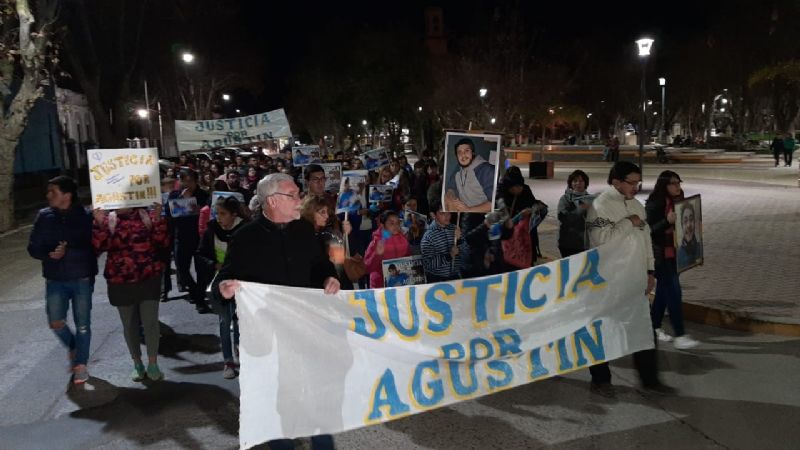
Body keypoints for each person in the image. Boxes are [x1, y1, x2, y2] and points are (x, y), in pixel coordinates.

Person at [214, 173, 340, 450]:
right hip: (269, 342)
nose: (300, 200)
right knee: (278, 409)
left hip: (307, 334)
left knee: (320, 403)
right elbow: (223, 281)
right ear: (272, 201)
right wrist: (225, 290)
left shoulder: (304, 231)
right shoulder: (245, 239)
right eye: (294, 195)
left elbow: (320, 264)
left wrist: (329, 277)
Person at [585, 161, 674, 397]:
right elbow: (602, 239)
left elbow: (645, 239)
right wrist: (628, 222)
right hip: (607, 280)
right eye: (631, 182)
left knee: (644, 329)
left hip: (634, 278)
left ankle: (650, 380)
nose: (636, 187)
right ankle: (600, 379)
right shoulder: (600, 205)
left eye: (638, 182)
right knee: (602, 330)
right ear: (616, 181)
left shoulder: (637, 205)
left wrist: (649, 270)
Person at [27, 176, 98, 385]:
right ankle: (75, 346)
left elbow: (93, 243)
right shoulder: (44, 216)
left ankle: (81, 365)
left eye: (53, 192)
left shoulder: (85, 215)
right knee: (56, 322)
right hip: (55, 278)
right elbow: (32, 247)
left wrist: (70, 249)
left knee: (83, 324)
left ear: (67, 195)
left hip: (82, 276)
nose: (48, 196)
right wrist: (49, 254)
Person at [92, 203, 170, 381]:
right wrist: (100, 224)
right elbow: (97, 247)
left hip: (149, 277)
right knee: (129, 325)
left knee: (150, 323)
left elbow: (163, 242)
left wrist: (158, 219)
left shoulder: (147, 215)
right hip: (120, 281)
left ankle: (153, 363)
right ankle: (137, 363)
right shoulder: (106, 218)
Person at [646, 171, 700, 350]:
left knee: (663, 292)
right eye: (673, 183)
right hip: (660, 255)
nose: (677, 186)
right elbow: (649, 231)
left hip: (676, 254)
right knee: (674, 292)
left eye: (678, 182)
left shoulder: (681, 201)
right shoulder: (655, 203)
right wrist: (666, 221)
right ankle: (680, 334)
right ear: (664, 185)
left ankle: (653, 327)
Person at [197, 196, 249, 379]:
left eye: (223, 214)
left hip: (242, 283)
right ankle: (228, 360)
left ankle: (240, 352)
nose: (218, 217)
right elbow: (201, 254)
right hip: (218, 282)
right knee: (224, 321)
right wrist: (214, 265)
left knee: (240, 320)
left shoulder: (246, 229)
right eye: (217, 213)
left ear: (234, 214)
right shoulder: (211, 230)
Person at [167, 169, 211, 313]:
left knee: (202, 270)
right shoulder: (174, 195)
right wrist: (182, 199)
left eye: (189, 180)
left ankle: (200, 300)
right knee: (182, 269)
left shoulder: (203, 195)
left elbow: (208, 213)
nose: (186, 184)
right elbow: (170, 214)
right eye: (183, 180)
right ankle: (194, 292)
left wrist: (192, 204)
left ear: (195, 181)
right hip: (181, 237)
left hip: (199, 238)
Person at [444, 138, 495, 212]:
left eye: (466, 151)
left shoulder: (486, 170)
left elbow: (493, 203)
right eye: (459, 152)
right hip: (464, 215)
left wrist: (469, 210)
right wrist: (451, 197)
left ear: (473, 152)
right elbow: (451, 188)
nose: (463, 155)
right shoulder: (458, 170)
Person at [421, 202, 468, 282]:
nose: (447, 216)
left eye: (448, 212)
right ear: (433, 215)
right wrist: (449, 255)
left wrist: (459, 240)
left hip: (456, 276)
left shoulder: (455, 229)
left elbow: (466, 254)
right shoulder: (428, 236)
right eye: (442, 213)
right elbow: (427, 264)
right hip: (437, 279)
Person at [364, 211, 411, 288]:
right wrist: (377, 254)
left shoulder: (404, 240)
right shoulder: (376, 242)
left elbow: (409, 261)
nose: (396, 226)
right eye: (391, 223)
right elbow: (366, 268)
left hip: (400, 287)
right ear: (382, 225)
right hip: (380, 288)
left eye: (397, 223)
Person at [557, 170, 593, 257]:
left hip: (585, 243)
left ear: (585, 183)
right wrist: (580, 209)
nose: (578, 183)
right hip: (568, 242)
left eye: (581, 181)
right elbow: (563, 218)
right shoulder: (565, 199)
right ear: (570, 183)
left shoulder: (590, 199)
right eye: (575, 181)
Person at [676, 202, 702, 268]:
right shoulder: (679, 255)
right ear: (682, 225)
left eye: (691, 219)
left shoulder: (700, 248)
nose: (688, 225)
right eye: (685, 221)